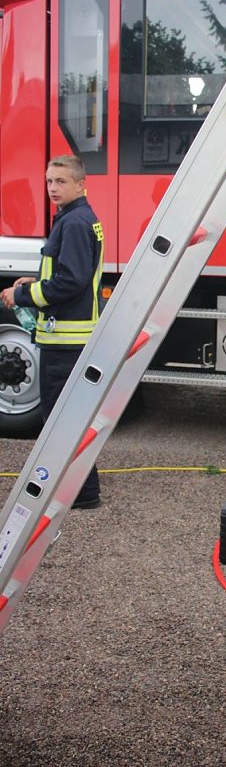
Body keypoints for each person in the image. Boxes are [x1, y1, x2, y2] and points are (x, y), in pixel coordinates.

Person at [1, 155, 104, 509]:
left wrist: (23, 295)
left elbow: (72, 281)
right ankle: (81, 490)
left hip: (65, 341)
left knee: (59, 422)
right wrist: (38, 282)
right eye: (49, 182)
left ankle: (80, 493)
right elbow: (70, 275)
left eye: (61, 181)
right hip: (69, 338)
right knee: (69, 421)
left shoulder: (74, 223)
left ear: (80, 184)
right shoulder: (77, 219)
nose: (53, 188)